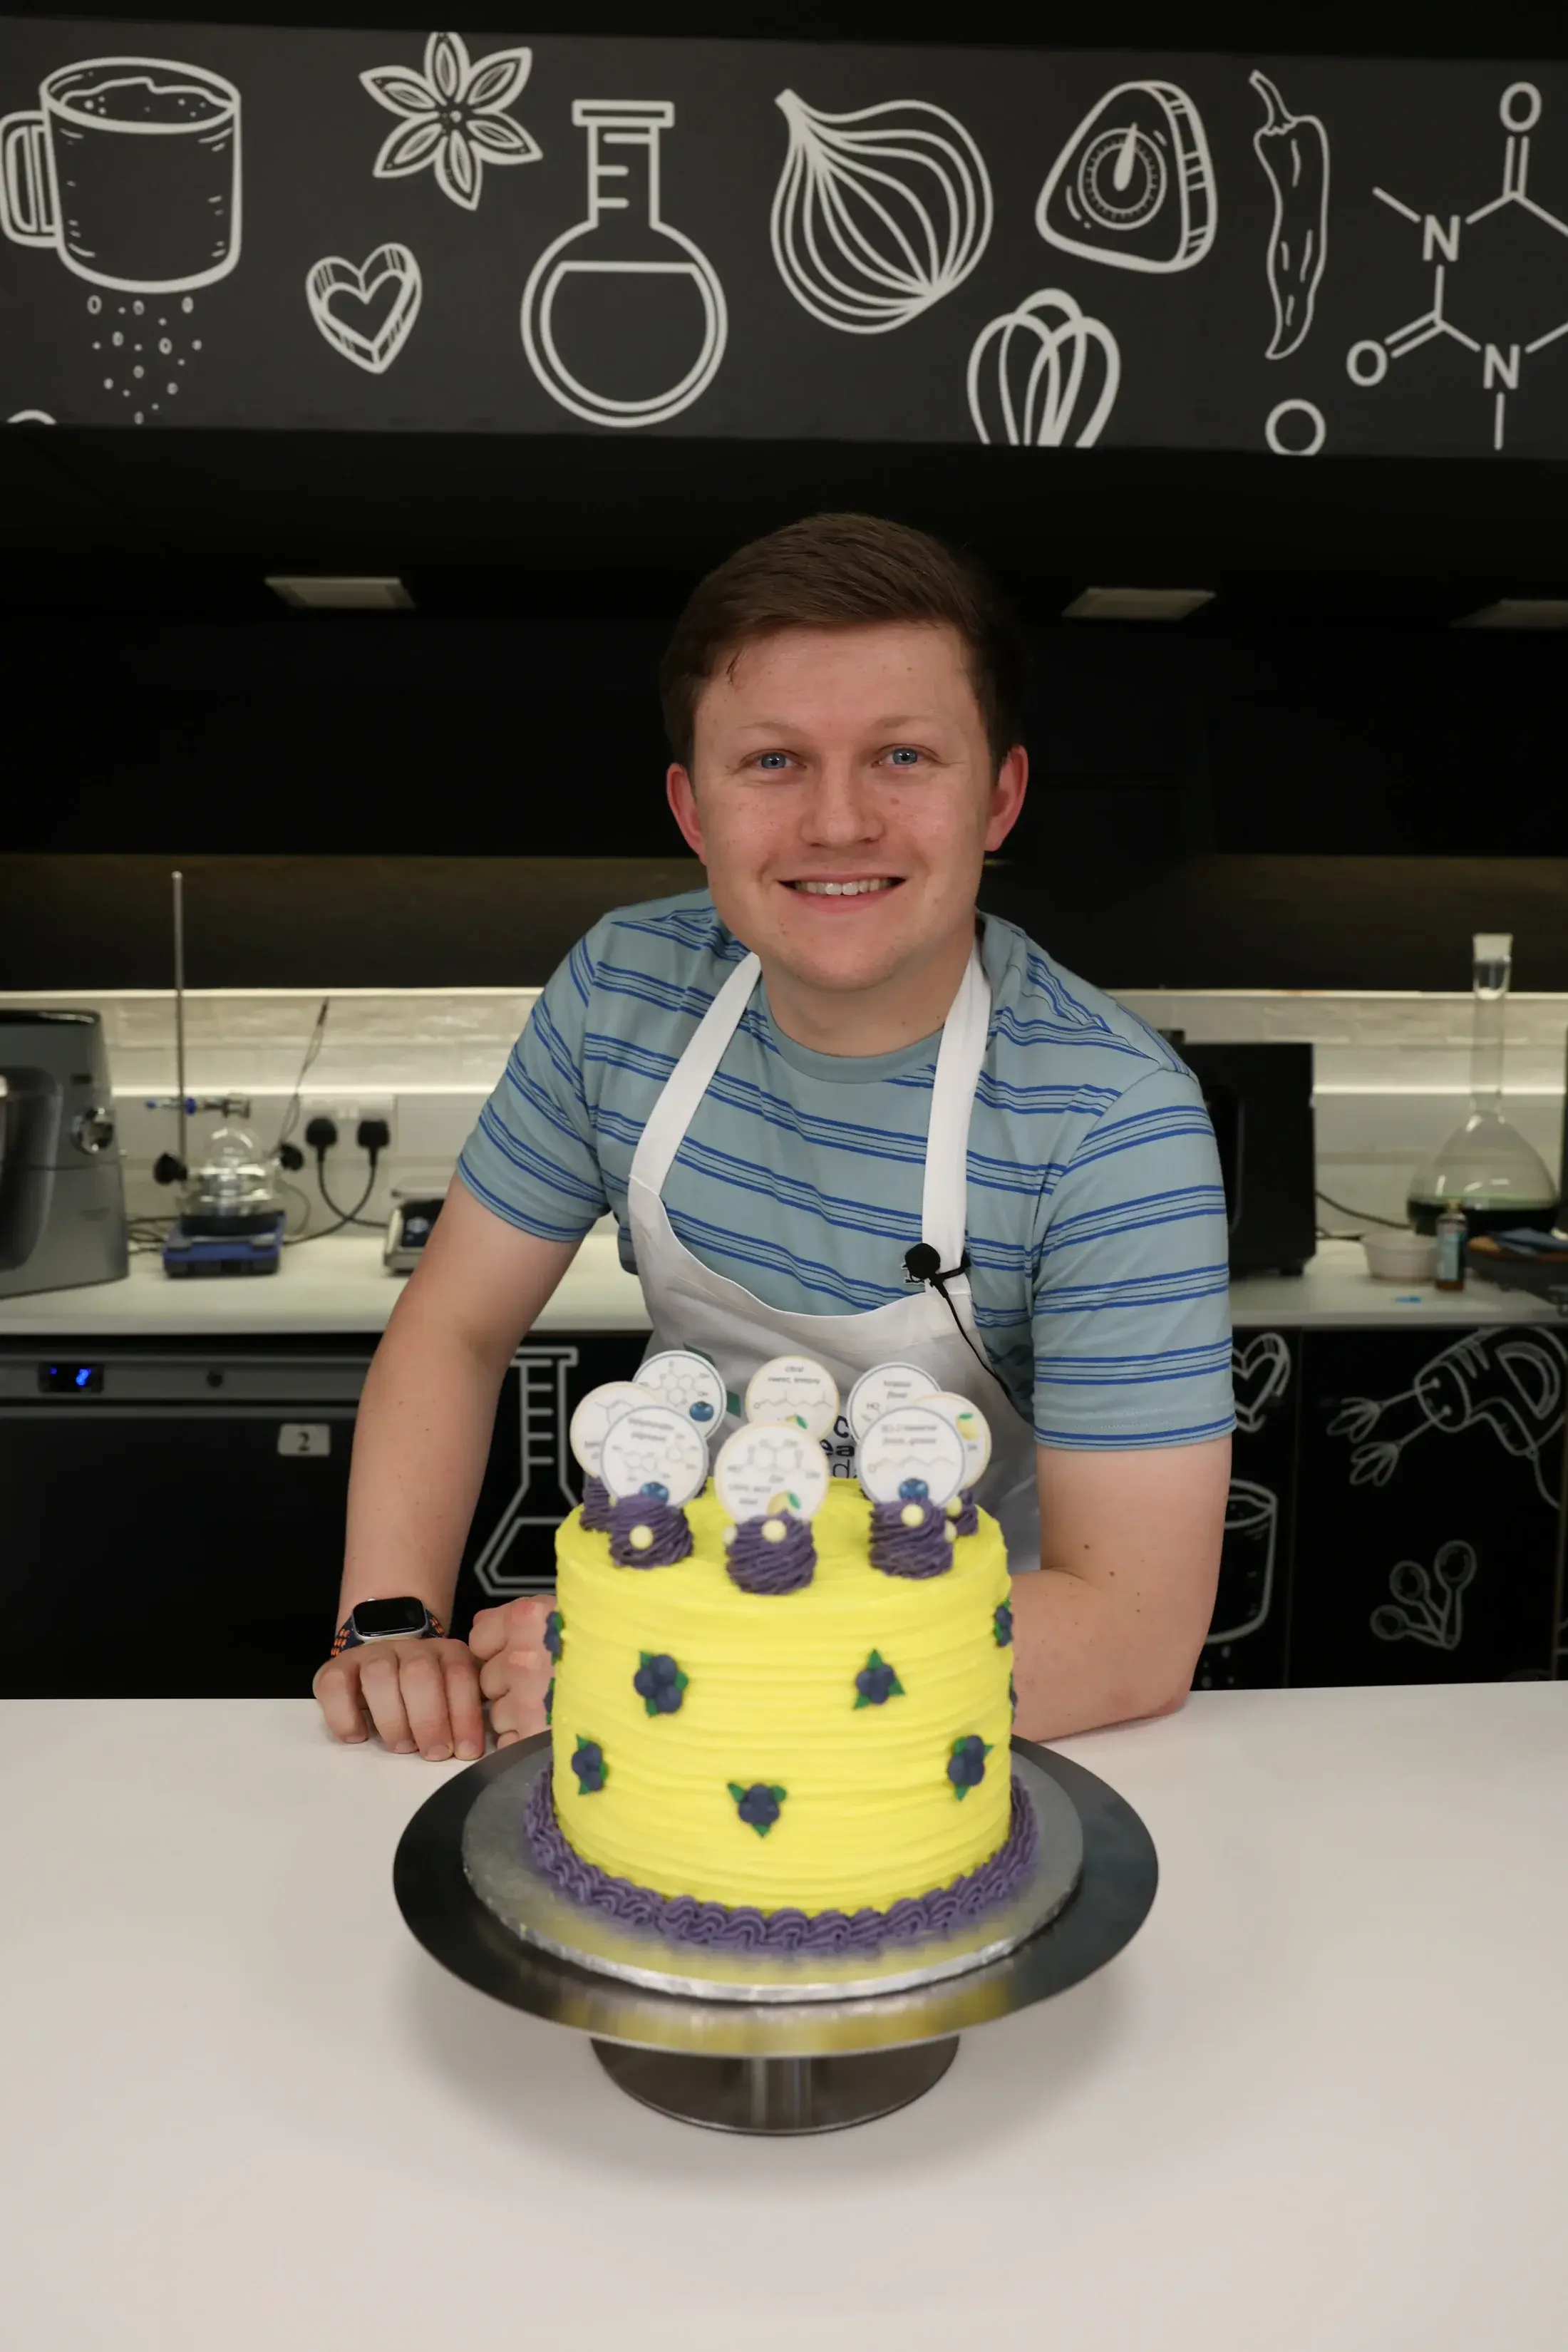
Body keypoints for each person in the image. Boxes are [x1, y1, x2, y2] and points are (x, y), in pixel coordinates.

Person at [313, 512, 1232, 1764]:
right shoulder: (621, 992)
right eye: (774, 763)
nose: (838, 822)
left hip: (966, 1726)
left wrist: (682, 1678)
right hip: (653, 1699)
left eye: (903, 755)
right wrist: (389, 1622)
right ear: (694, 809)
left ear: (1000, 796)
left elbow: (1132, 1634)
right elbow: (454, 1327)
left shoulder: (1113, 1119)